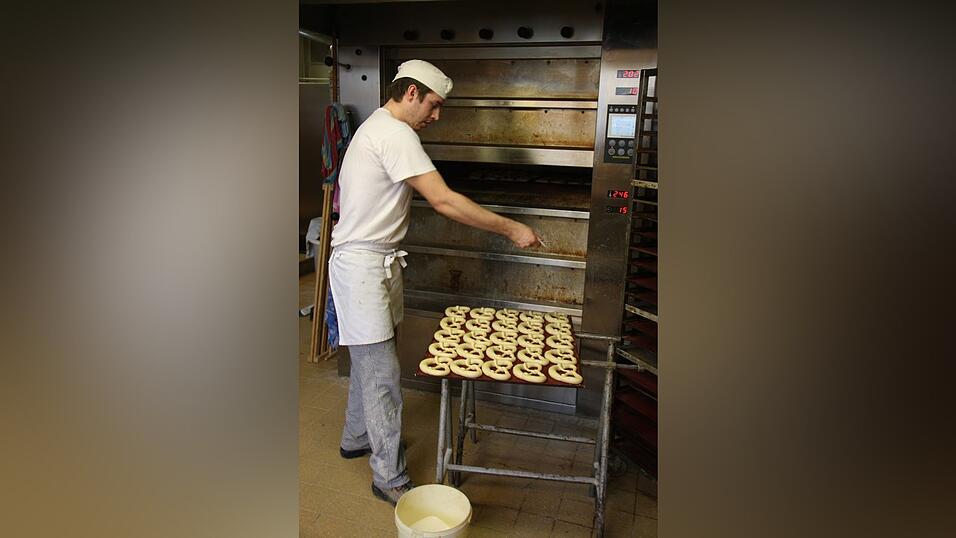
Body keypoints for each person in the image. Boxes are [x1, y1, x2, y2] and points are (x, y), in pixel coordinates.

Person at [328, 59, 541, 505]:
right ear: (411, 93)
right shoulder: (395, 133)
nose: (436, 115)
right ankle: (388, 477)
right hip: (362, 267)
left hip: (377, 263)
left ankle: (356, 438)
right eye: (434, 105)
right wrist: (511, 228)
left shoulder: (379, 127)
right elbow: (443, 200)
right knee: (383, 374)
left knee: (370, 364)